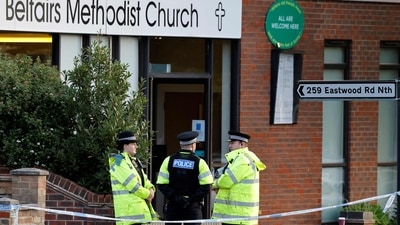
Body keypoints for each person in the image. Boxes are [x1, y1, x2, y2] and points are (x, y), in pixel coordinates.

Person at [156, 131, 214, 225]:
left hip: (173, 207)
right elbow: (207, 186)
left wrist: (176, 198)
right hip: (192, 208)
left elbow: (162, 184)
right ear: (193, 145)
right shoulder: (200, 162)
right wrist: (191, 200)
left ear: (181, 144)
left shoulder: (168, 160)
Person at [212, 131, 266, 225]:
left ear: (242, 144)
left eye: (232, 143)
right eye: (229, 143)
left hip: (237, 216)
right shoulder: (242, 158)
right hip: (238, 215)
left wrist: (214, 184)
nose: (229, 146)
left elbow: (227, 181)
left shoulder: (242, 159)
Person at [109, 130, 158, 225]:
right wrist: (149, 194)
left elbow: (145, 180)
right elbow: (133, 186)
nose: (136, 146)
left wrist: (151, 189)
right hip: (130, 216)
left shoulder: (134, 162)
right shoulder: (119, 163)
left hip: (140, 213)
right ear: (125, 145)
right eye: (133, 144)